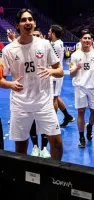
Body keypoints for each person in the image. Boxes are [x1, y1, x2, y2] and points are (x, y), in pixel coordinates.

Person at [0, 8, 63, 160]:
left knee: (57, 144)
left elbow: (60, 70)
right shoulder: (8, 50)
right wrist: (10, 84)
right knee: (21, 147)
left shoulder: (45, 45)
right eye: (23, 20)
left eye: (30, 19)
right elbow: (0, 79)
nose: (27, 22)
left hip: (44, 103)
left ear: (34, 23)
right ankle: (22, 179)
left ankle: (54, 176)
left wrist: (50, 71)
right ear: (17, 25)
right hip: (20, 105)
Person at [69, 29, 94, 148]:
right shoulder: (74, 55)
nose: (87, 40)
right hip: (80, 87)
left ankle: (90, 126)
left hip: (93, 87)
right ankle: (81, 137)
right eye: (85, 38)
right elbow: (71, 74)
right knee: (81, 112)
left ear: (92, 41)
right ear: (81, 40)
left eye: (89, 38)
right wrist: (76, 68)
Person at [48, 24, 75, 128]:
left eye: (50, 32)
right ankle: (67, 116)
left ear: (53, 34)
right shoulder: (57, 43)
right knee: (56, 96)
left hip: (55, 74)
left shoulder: (55, 45)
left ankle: (53, 123)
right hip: (55, 73)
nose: (48, 33)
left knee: (53, 99)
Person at [29, 27, 51, 158]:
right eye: (34, 35)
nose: (36, 37)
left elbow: (57, 69)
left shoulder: (47, 49)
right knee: (32, 121)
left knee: (43, 121)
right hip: (30, 92)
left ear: (42, 36)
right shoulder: (25, 50)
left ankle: (44, 148)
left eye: (38, 35)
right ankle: (35, 147)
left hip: (44, 91)